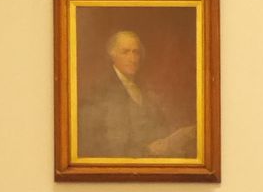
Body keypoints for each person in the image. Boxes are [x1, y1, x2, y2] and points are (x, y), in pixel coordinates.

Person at [77, 29, 197, 159]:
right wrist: (147, 150)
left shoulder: (143, 87)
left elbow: (158, 127)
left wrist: (176, 137)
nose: (133, 58)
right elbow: (108, 145)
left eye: (136, 52)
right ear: (112, 55)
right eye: (125, 52)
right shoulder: (101, 91)